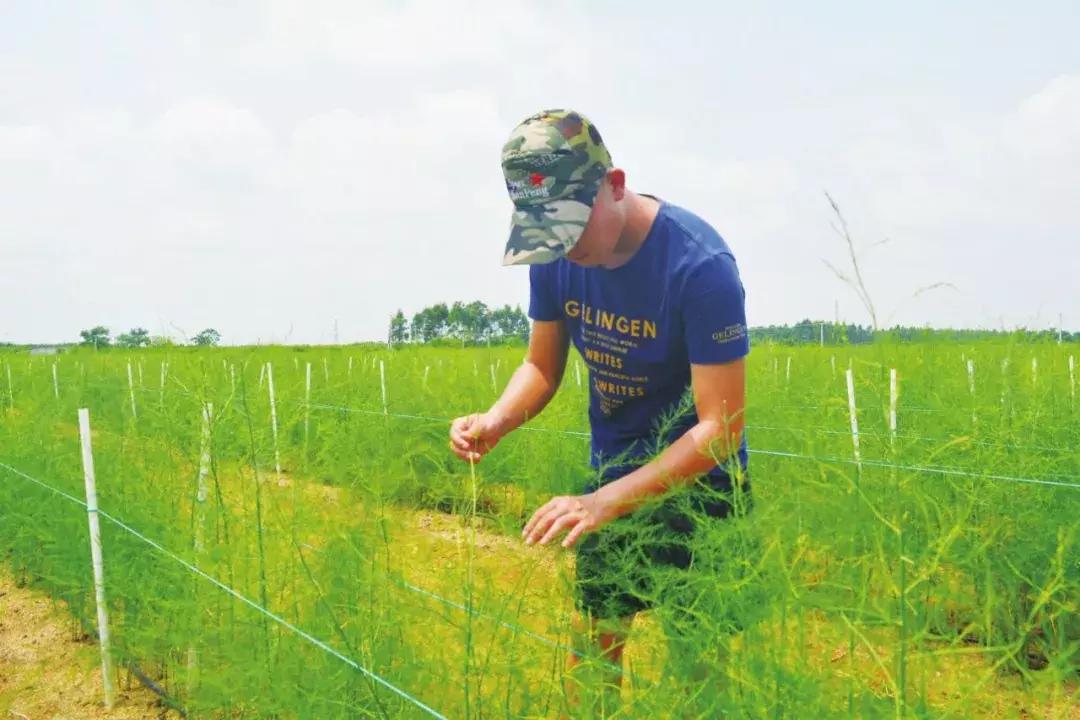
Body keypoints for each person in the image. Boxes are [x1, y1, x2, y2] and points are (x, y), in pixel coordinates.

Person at [449, 108, 754, 716]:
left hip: (702, 491)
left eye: (572, 229)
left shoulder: (700, 267)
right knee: (593, 650)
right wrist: (496, 419)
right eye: (549, 234)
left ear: (614, 185)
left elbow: (720, 428)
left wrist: (603, 502)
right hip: (609, 479)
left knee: (698, 668)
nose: (567, 250)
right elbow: (541, 366)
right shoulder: (554, 256)